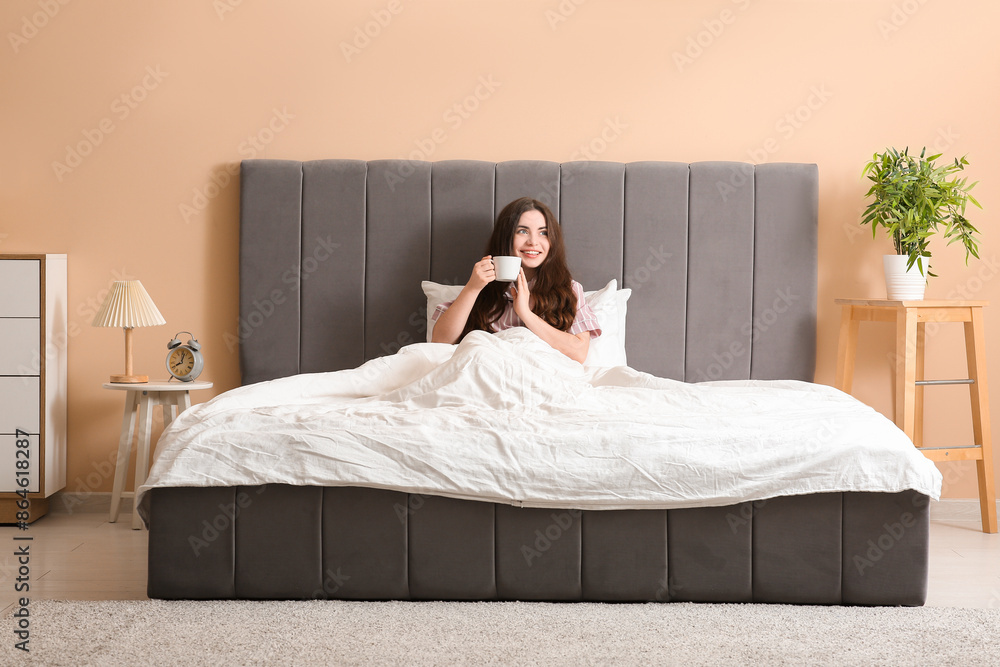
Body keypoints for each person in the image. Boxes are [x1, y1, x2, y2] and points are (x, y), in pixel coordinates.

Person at [431, 197, 601, 363]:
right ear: (505, 237)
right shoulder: (481, 287)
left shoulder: (568, 289)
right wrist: (472, 288)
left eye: (543, 233)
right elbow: (440, 341)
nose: (533, 242)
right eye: (522, 231)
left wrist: (525, 313)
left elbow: (579, 353)